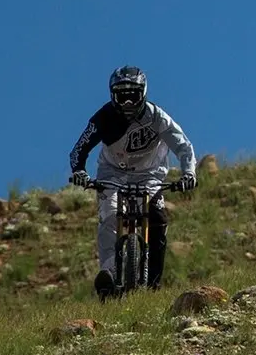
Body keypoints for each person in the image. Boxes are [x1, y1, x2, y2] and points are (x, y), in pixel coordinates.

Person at [68, 66, 197, 299]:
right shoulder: (102, 118)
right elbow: (79, 149)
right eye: (122, 96)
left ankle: (153, 285)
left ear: (143, 93)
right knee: (109, 215)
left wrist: (189, 173)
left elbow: (183, 145)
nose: (127, 103)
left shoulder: (157, 117)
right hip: (112, 174)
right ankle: (108, 273)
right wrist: (79, 172)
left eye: (133, 96)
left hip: (150, 175)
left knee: (158, 220)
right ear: (112, 96)